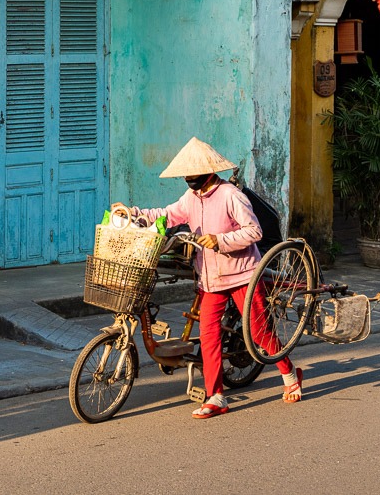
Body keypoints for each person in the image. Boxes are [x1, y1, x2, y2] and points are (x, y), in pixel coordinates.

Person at [111, 136, 302, 419]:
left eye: (193, 174)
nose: (189, 179)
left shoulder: (230, 195)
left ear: (209, 172)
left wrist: (220, 240)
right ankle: (216, 395)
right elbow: (167, 215)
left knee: (259, 330)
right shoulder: (191, 197)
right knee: (209, 336)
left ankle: (289, 374)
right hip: (210, 279)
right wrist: (133, 212)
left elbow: (254, 232)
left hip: (242, 275)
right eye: (186, 175)